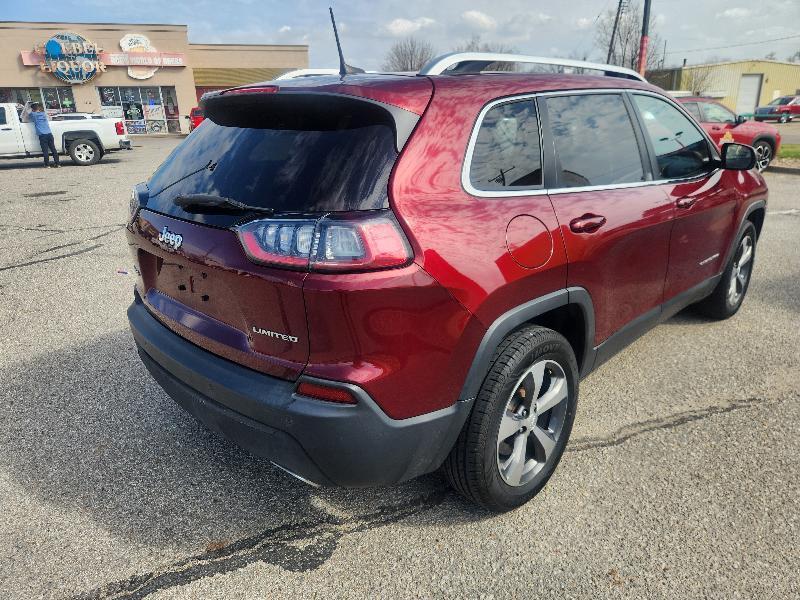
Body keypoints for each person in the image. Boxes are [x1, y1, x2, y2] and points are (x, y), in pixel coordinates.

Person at [23, 102, 60, 168]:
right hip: (49, 134)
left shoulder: (33, 115)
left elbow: (25, 114)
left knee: (45, 151)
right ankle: (57, 164)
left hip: (43, 135)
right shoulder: (43, 114)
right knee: (53, 149)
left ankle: (47, 165)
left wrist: (27, 105)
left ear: (33, 109)